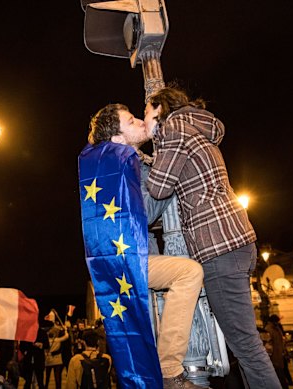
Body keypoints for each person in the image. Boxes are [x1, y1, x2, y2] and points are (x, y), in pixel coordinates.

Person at [144, 86, 281, 388]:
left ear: (159, 107)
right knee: (244, 344)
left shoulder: (174, 127)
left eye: (147, 112)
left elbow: (158, 188)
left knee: (246, 346)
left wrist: (155, 136)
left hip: (218, 246)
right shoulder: (196, 126)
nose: (145, 118)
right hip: (236, 241)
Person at [88, 103, 205, 389]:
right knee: (188, 273)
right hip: (128, 262)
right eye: (132, 121)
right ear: (117, 139)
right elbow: (146, 212)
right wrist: (169, 173)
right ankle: (169, 369)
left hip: (129, 260)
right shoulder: (124, 165)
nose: (141, 122)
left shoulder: (123, 162)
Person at [265, 315, 289, 389]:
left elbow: (280, 341)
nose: (279, 322)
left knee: (282, 376)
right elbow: (268, 344)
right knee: (280, 378)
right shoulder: (269, 329)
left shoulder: (276, 328)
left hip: (280, 356)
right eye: (278, 321)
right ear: (274, 321)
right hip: (274, 358)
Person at [44, 325, 69, 389]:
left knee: (47, 376)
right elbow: (66, 336)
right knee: (57, 376)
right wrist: (65, 330)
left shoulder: (46, 341)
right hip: (57, 359)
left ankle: (46, 386)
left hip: (48, 359)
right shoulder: (57, 340)